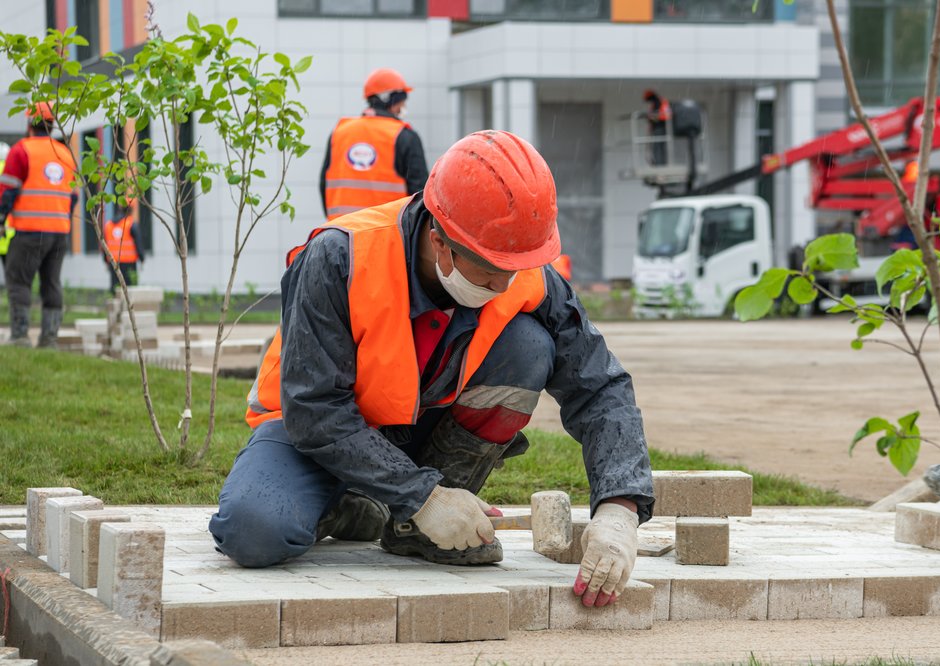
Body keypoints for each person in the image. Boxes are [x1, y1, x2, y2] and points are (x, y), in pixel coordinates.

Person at [211, 130, 654, 609]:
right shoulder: (339, 257)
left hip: (420, 432)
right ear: (440, 242)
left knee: (528, 346)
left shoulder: (521, 265)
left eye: (515, 267)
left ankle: (411, 530)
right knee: (253, 531)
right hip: (313, 433)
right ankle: (351, 509)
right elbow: (315, 408)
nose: (506, 283)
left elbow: (600, 383)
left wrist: (619, 507)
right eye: (489, 271)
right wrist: (423, 495)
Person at [0, 102, 76, 348]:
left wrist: (1, 219)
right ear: (52, 124)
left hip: (30, 231)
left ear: (28, 122)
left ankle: (21, 336)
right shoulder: (65, 154)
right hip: (59, 233)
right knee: (51, 282)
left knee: (19, 279)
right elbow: (72, 197)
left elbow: (7, 192)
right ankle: (49, 338)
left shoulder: (21, 150)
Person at [319, 68, 428, 220]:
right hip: (386, 237)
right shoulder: (405, 136)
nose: (401, 109)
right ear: (390, 99)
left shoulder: (339, 132)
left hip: (340, 235)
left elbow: (323, 184)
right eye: (401, 102)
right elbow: (420, 196)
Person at [102, 200, 145, 293]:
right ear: (131, 210)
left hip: (113, 263)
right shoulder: (131, 224)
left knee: (115, 289)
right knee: (130, 290)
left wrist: (105, 260)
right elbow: (139, 243)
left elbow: (104, 245)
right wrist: (142, 258)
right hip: (129, 263)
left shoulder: (108, 225)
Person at [643, 89, 671, 167]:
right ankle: (661, 163)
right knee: (660, 147)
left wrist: (650, 117)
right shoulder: (661, 102)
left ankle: (659, 164)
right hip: (660, 128)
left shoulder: (658, 103)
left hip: (659, 128)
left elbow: (658, 116)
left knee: (657, 147)